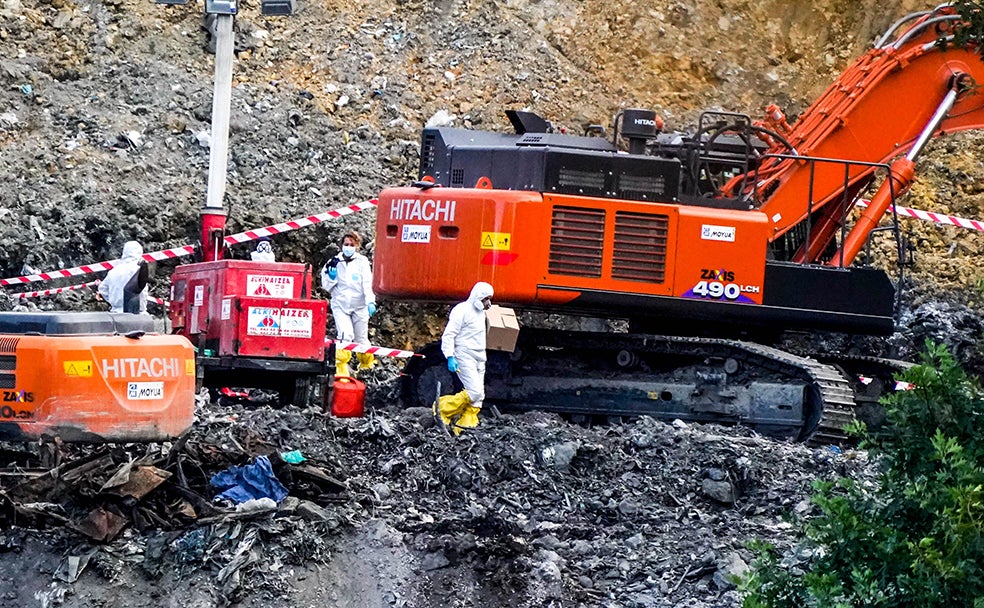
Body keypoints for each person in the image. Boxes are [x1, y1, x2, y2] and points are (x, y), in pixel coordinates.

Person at [435, 281, 494, 435]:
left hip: (479, 356)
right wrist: (450, 356)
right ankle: (441, 409)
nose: (487, 303)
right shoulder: (462, 310)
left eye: (489, 299)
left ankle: (463, 429)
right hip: (464, 354)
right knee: (474, 392)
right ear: (478, 296)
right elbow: (449, 334)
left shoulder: (481, 314)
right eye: (485, 299)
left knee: (478, 398)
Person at [321, 231, 377, 375]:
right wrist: (332, 277)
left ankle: (366, 370)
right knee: (345, 335)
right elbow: (326, 286)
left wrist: (370, 302)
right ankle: (340, 373)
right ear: (341, 245)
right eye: (346, 244)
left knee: (361, 339)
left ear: (357, 246)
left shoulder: (362, 262)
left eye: (352, 244)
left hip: (360, 306)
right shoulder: (334, 262)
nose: (349, 247)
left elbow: (367, 283)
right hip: (341, 305)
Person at [98, 240, 148, 314]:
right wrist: (142, 309)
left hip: (116, 313)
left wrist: (113, 302)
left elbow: (102, 288)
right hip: (135, 313)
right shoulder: (138, 270)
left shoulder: (114, 271)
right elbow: (142, 292)